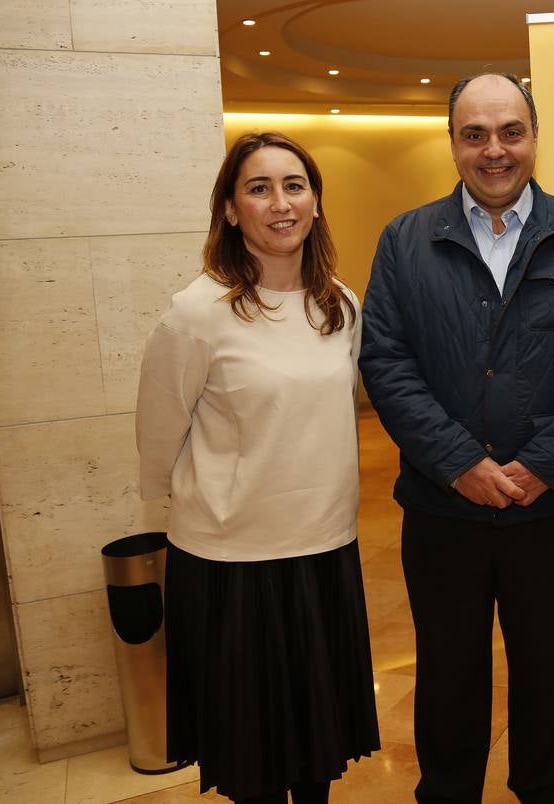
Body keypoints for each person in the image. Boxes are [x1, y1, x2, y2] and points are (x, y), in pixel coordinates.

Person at [359, 73, 554, 804]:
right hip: (440, 507)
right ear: (452, 143)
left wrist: (542, 465)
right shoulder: (403, 240)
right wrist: (458, 464)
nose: (494, 150)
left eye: (510, 131)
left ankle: (540, 789)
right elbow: (385, 363)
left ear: (534, 137)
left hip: (544, 505)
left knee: (543, 667)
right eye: (474, 134)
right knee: (448, 669)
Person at [136, 132, 379, 804]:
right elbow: (157, 442)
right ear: (230, 210)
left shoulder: (339, 304)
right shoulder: (197, 314)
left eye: (294, 185)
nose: (280, 202)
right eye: (259, 187)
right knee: (253, 759)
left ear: (316, 203)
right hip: (229, 564)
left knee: (315, 750)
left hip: (324, 551)